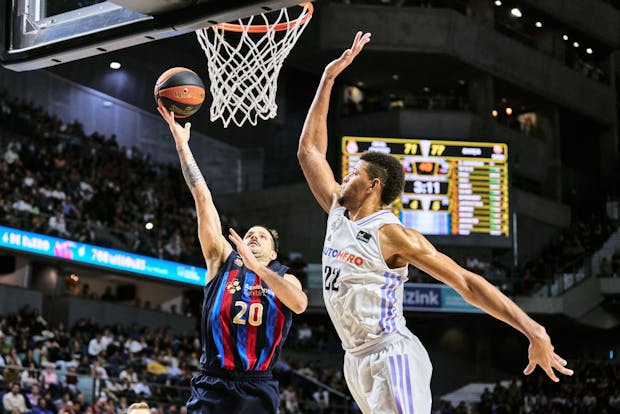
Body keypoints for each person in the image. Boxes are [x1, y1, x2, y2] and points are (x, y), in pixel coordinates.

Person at [297, 31, 574, 414]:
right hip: (354, 359)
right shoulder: (337, 212)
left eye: (354, 173)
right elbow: (309, 150)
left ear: (374, 185)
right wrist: (328, 79)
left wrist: (533, 329)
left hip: (390, 355)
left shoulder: (392, 234)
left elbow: (467, 282)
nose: (344, 175)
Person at [158, 106, 307, 414]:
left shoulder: (283, 275)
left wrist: (258, 269)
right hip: (213, 380)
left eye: (261, 236)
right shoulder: (221, 260)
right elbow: (203, 198)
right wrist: (182, 146)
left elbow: (299, 304)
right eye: (249, 233)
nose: (253, 236)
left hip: (257, 385)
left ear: (274, 252)